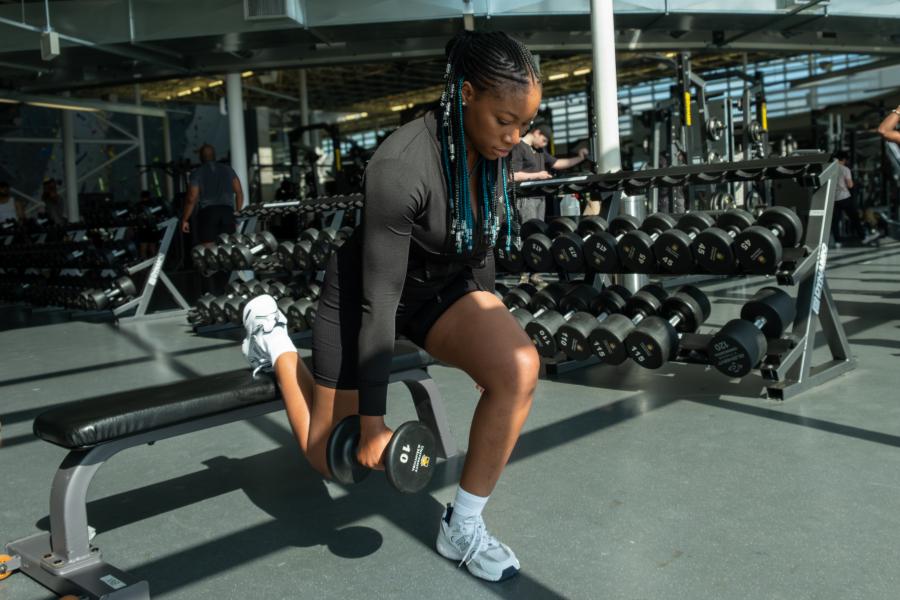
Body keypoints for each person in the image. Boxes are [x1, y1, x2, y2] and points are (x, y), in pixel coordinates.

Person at [240, 31, 542, 582]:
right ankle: (275, 341)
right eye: (505, 121)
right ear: (467, 93)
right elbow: (379, 304)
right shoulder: (400, 166)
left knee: (519, 366)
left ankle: (463, 526)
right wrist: (375, 423)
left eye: (523, 124)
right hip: (365, 297)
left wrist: (490, 338)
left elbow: (481, 244)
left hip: (439, 291)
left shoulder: (498, 151)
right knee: (328, 457)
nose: (515, 137)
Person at [510, 123, 590, 223]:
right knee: (529, 231)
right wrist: (538, 175)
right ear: (537, 133)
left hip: (540, 197)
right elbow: (513, 176)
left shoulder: (540, 150)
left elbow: (557, 163)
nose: (545, 144)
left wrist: (580, 158)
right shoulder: (518, 147)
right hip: (526, 198)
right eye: (544, 140)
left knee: (538, 230)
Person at [180, 144, 244, 245]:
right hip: (227, 212)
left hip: (208, 214)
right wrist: (238, 213)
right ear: (214, 156)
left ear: (201, 157)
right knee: (228, 250)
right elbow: (239, 192)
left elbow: (191, 198)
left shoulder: (197, 173)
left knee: (209, 251)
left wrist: (185, 219)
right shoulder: (228, 170)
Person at [831, 150, 866, 248]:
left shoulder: (829, 169)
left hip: (833, 199)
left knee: (835, 221)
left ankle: (837, 241)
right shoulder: (845, 169)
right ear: (844, 159)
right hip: (845, 197)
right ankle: (863, 237)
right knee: (854, 217)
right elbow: (850, 185)